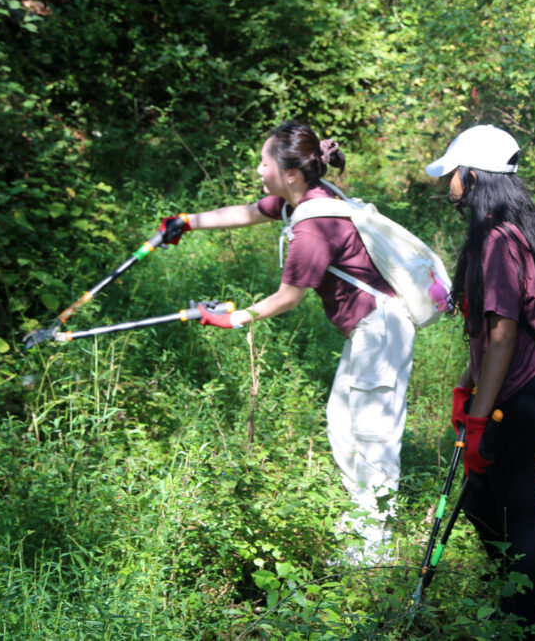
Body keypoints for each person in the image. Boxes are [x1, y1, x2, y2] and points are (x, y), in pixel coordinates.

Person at [159, 120, 416, 562]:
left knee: (372, 436)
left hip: (382, 329)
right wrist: (187, 222)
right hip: (367, 330)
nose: (259, 170)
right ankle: (360, 530)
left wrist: (233, 318)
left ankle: (372, 555)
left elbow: (288, 298)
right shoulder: (304, 199)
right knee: (341, 426)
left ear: (292, 173)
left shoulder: (314, 228)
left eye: (265, 163)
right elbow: (246, 211)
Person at [426, 124, 535, 635]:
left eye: (454, 173)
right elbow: (483, 338)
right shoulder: (494, 232)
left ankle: (519, 623)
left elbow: (505, 337)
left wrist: (479, 419)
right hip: (508, 389)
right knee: (481, 497)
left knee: (517, 508)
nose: (449, 184)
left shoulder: (497, 241)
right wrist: (465, 390)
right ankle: (513, 589)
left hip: (524, 394)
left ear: (473, 175)